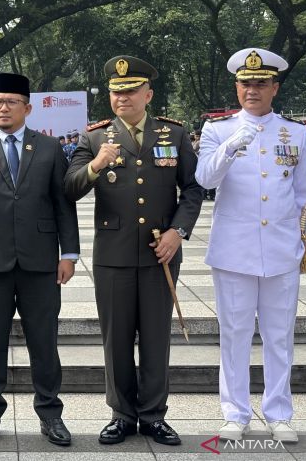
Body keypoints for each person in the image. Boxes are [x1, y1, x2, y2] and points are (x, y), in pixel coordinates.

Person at [64, 56, 202, 446]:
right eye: (115, 91)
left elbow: (193, 189)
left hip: (161, 252)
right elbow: (69, 188)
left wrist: (178, 231)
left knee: (157, 336)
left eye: (130, 90)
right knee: (117, 337)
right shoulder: (93, 138)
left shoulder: (172, 133)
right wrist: (94, 166)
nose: (122, 97)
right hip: (113, 255)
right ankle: (122, 414)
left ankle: (154, 415)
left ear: (148, 94)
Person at [0, 73, 80, 447]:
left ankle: (51, 414)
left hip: (40, 263)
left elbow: (62, 204)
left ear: (27, 107)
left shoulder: (50, 148)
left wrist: (68, 253)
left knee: (44, 340)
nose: (3, 107)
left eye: (11, 101)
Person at [195, 48, 306, 443]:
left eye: (261, 83)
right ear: (237, 86)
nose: (252, 89)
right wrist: (230, 148)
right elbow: (205, 180)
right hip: (234, 250)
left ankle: (279, 412)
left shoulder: (294, 133)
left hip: (281, 249)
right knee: (235, 334)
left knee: (280, 335)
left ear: (275, 88)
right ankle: (235, 412)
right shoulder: (217, 130)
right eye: (246, 83)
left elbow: (305, 195)